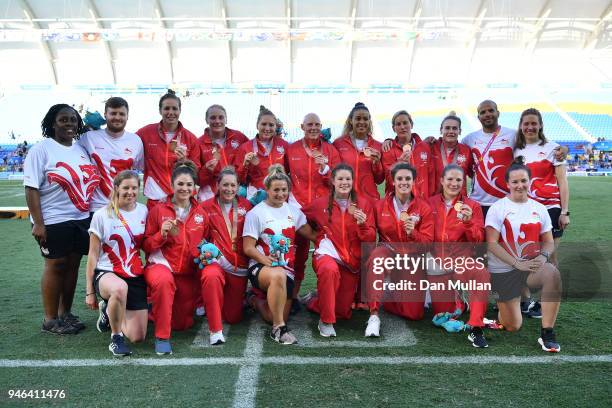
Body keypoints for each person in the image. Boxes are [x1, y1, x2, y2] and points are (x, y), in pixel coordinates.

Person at [24, 104, 100, 334]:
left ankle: (65, 314)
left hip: (80, 216)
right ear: (52, 123)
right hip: (52, 218)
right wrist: (38, 222)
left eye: (73, 120)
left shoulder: (80, 149)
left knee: (73, 265)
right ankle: (50, 319)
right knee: (56, 265)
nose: (69, 124)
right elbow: (31, 187)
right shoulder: (42, 149)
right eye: (63, 120)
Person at [485, 158, 562, 353]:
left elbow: (548, 241)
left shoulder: (539, 208)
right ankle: (504, 306)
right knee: (512, 326)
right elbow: (491, 244)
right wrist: (516, 263)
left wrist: (544, 257)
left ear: (530, 181)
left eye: (523, 180)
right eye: (515, 182)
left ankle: (547, 333)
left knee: (552, 274)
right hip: (505, 268)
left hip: (530, 267)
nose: (520, 185)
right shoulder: (498, 208)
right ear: (507, 184)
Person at [242, 165, 316, 344]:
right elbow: (248, 247)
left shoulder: (293, 211)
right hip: (261, 266)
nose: (280, 193)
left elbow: (312, 235)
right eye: (276, 190)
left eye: (284, 190)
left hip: (286, 269)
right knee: (277, 276)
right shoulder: (256, 213)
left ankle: (253, 299)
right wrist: (264, 260)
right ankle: (279, 329)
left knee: (272, 314)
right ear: (267, 189)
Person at [301, 163, 376, 337]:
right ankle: (325, 321)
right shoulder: (319, 204)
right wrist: (315, 236)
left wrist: (363, 224)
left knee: (342, 312)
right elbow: (297, 217)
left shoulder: (364, 204)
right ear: (333, 181)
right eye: (340, 178)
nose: (344, 182)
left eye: (348, 179)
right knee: (329, 269)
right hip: (327, 255)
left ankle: (315, 300)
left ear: (353, 181)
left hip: (351, 263)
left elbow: (371, 239)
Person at [142, 160, 208, 355]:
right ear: (172, 185)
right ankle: (162, 337)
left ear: (195, 187)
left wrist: (204, 254)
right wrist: (160, 235)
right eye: (180, 184)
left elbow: (207, 243)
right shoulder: (157, 210)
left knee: (182, 324)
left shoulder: (201, 213)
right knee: (163, 282)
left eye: (189, 184)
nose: (184, 188)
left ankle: (149, 310)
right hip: (160, 266)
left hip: (186, 273)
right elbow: (145, 246)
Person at [462, 100, 567, 218]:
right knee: (479, 236)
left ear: (498, 113)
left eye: (491, 110)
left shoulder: (513, 135)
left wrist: (564, 149)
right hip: (478, 201)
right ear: (478, 117)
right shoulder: (468, 139)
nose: (487, 114)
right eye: (483, 112)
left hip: (506, 202)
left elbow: (537, 143)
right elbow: (466, 166)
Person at [365, 163, 434, 336]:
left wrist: (413, 233)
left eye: (408, 179)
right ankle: (373, 316)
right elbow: (370, 235)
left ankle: (391, 292)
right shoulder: (379, 206)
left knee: (415, 314)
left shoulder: (423, 207)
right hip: (388, 250)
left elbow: (427, 243)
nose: (404, 182)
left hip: (412, 256)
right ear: (393, 182)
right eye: (400, 179)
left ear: (414, 182)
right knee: (377, 258)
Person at [514, 108, 570, 318]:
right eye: (526, 124)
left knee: (549, 259)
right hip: (525, 210)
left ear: (540, 126)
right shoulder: (515, 150)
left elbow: (562, 181)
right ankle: (525, 301)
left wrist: (564, 211)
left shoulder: (553, 149)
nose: (529, 127)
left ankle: (545, 304)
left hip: (550, 209)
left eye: (533, 123)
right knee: (523, 254)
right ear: (520, 126)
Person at [85, 170, 148, 356]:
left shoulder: (144, 210)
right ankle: (116, 338)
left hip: (134, 274)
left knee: (138, 337)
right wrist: (89, 291)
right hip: (108, 272)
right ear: (116, 189)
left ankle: (110, 310)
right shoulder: (102, 215)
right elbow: (92, 254)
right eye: (126, 187)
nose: (130, 192)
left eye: (134, 188)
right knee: (119, 288)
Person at [427, 164, 489, 348]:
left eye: (458, 180)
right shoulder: (429, 203)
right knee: (444, 313)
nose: (454, 183)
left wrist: (469, 223)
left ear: (464, 182)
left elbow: (478, 241)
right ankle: (461, 301)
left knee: (480, 273)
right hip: (436, 264)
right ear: (442, 181)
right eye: (450, 179)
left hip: (461, 261)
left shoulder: (473, 206)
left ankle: (476, 327)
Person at [285, 113, 341, 302]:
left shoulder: (331, 150)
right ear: (302, 126)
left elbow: (339, 179)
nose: (313, 128)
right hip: (297, 208)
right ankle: (292, 298)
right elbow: (283, 176)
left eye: (317, 124)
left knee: (324, 252)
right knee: (296, 255)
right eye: (310, 124)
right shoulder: (291, 149)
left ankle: (323, 294)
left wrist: (325, 169)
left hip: (322, 209)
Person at [199, 167, 252, 345]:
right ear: (217, 185)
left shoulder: (246, 206)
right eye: (225, 185)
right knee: (211, 275)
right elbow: (199, 237)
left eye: (233, 185)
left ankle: (248, 296)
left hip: (239, 268)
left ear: (238, 187)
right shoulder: (205, 207)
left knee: (233, 317)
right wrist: (205, 252)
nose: (229, 189)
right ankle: (215, 331)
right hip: (218, 263)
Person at [137, 90, 200, 209]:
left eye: (174, 108)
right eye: (166, 108)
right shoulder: (145, 132)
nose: (171, 112)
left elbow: (196, 171)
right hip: (155, 197)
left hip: (182, 198)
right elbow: (128, 144)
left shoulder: (190, 138)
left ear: (180, 110)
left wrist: (184, 161)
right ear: (160, 110)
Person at [78, 97, 144, 212]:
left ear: (127, 116)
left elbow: (141, 167)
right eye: (113, 113)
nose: (117, 117)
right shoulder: (89, 137)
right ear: (105, 114)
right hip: (97, 208)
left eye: (122, 114)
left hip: (125, 206)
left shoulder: (135, 141)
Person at [234, 106, 289, 199]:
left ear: (275, 127)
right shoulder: (245, 147)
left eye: (271, 125)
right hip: (256, 197)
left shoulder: (284, 145)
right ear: (257, 125)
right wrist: (245, 165)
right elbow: (239, 180)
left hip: (279, 195)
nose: (267, 128)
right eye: (263, 124)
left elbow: (289, 172)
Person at [333, 102, 384, 201]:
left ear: (369, 121)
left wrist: (377, 163)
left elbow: (379, 180)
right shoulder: (338, 144)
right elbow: (333, 174)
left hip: (370, 201)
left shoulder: (378, 146)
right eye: (358, 118)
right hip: (345, 200)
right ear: (351, 121)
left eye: (365, 119)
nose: (362, 122)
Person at [197, 104, 249, 201]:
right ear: (206, 120)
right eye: (213, 118)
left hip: (236, 191)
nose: (217, 121)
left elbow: (254, 156)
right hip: (211, 195)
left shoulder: (239, 137)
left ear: (226, 119)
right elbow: (197, 180)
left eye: (221, 117)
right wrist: (207, 170)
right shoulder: (199, 143)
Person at [381, 110, 427, 197]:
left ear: (411, 124)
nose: (402, 127)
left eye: (405, 123)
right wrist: (399, 164)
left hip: (421, 202)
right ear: (393, 128)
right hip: (397, 202)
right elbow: (389, 181)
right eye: (398, 124)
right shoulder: (388, 149)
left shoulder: (424, 147)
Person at [427, 114, 473, 198]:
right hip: (435, 201)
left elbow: (473, 175)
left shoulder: (466, 150)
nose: (451, 131)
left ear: (460, 131)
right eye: (447, 128)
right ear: (441, 130)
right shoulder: (431, 147)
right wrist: (423, 143)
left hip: (458, 202)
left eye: (454, 128)